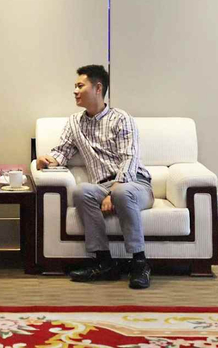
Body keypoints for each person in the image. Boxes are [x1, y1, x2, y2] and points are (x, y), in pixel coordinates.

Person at [36, 65, 154, 289]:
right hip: (102, 186)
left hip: (134, 183)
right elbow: (62, 152)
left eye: (80, 86)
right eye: (75, 86)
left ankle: (140, 263)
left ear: (98, 88)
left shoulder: (122, 119)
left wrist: (113, 191)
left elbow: (129, 159)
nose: (75, 91)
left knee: (122, 192)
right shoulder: (75, 122)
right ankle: (104, 262)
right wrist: (46, 160)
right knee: (82, 192)